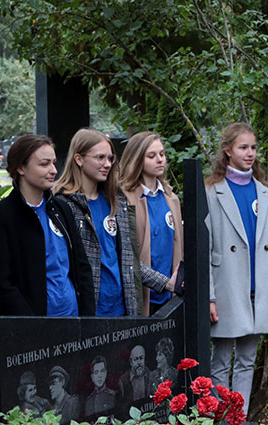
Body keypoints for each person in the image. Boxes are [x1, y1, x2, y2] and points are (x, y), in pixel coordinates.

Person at [205, 122, 268, 407]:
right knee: (219, 360)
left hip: (259, 289)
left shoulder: (263, 192)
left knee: (246, 360)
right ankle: (217, 422)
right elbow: (205, 248)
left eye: (253, 147)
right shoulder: (212, 192)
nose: (250, 153)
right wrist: (210, 296)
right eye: (243, 147)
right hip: (229, 287)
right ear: (228, 151)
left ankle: (236, 420)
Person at [53, 129, 176, 316]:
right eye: (100, 157)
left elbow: (128, 260)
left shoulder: (116, 201)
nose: (107, 164)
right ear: (78, 159)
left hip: (122, 308)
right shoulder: (63, 205)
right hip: (88, 311)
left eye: (110, 158)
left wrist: (166, 283)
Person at [0, 134, 94, 317]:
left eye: (53, 162)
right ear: (20, 167)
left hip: (73, 321)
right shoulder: (1, 215)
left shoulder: (61, 208)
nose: (53, 170)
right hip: (32, 329)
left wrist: (88, 316)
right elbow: (0, 283)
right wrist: (32, 326)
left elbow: (82, 267)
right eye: (44, 164)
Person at [119, 132, 183, 316]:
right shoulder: (124, 197)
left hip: (169, 298)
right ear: (137, 159)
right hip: (141, 296)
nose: (160, 160)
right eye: (152, 156)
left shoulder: (171, 199)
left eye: (162, 154)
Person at [84, 355, 116, 419]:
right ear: (92, 377)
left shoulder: (113, 396)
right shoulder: (89, 401)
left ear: (106, 373)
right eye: (96, 372)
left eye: (102, 371)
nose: (99, 376)